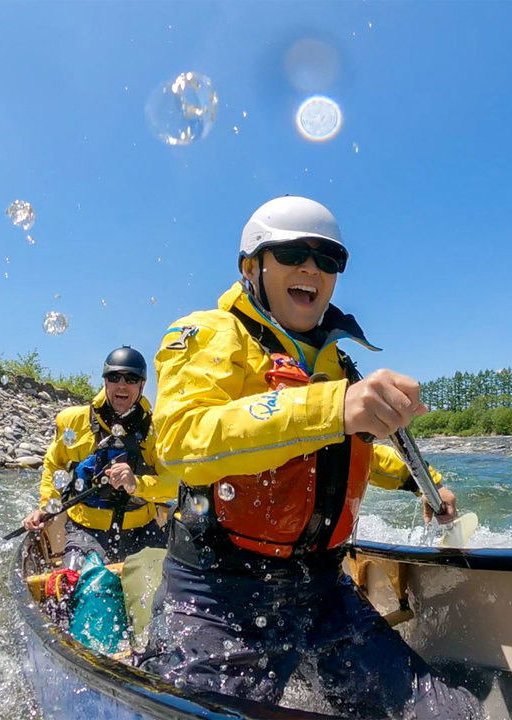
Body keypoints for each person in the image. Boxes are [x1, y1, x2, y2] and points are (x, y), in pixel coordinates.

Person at [140, 196, 482, 719]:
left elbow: (348, 456)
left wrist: (423, 483)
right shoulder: (209, 333)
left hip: (321, 587)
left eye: (327, 260)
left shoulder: (336, 361)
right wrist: (334, 404)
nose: (310, 268)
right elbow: (184, 440)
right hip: (217, 591)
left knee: (447, 714)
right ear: (251, 266)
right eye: (292, 253)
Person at [23, 346, 173, 568]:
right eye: (114, 377)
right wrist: (47, 505)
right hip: (85, 530)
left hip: (142, 529)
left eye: (131, 378)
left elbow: (172, 484)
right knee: (82, 587)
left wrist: (136, 484)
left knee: (162, 588)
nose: (122, 385)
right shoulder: (74, 421)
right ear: (105, 382)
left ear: (142, 385)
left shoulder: (156, 430)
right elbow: (55, 465)